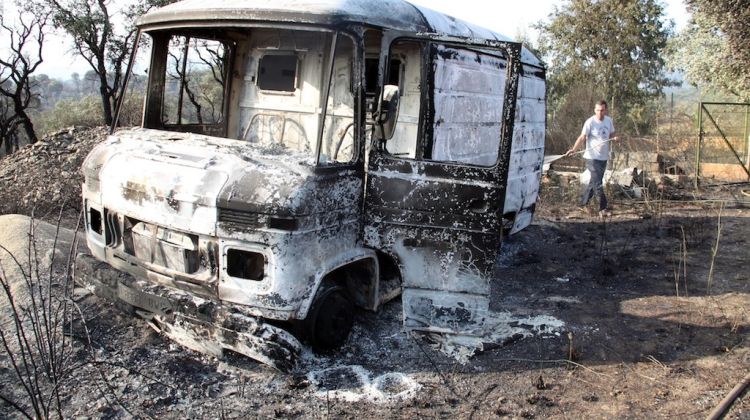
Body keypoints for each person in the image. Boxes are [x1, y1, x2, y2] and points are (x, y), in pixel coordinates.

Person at [565, 100, 618, 217]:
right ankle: (603, 208)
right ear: (595, 110)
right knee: (598, 183)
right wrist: (574, 149)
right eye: (598, 110)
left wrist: (615, 138)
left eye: (602, 110)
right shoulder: (590, 122)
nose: (600, 112)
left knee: (593, 183)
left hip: (603, 157)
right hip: (591, 157)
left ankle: (582, 204)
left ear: (606, 110)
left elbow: (612, 134)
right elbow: (582, 137)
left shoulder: (609, 121)